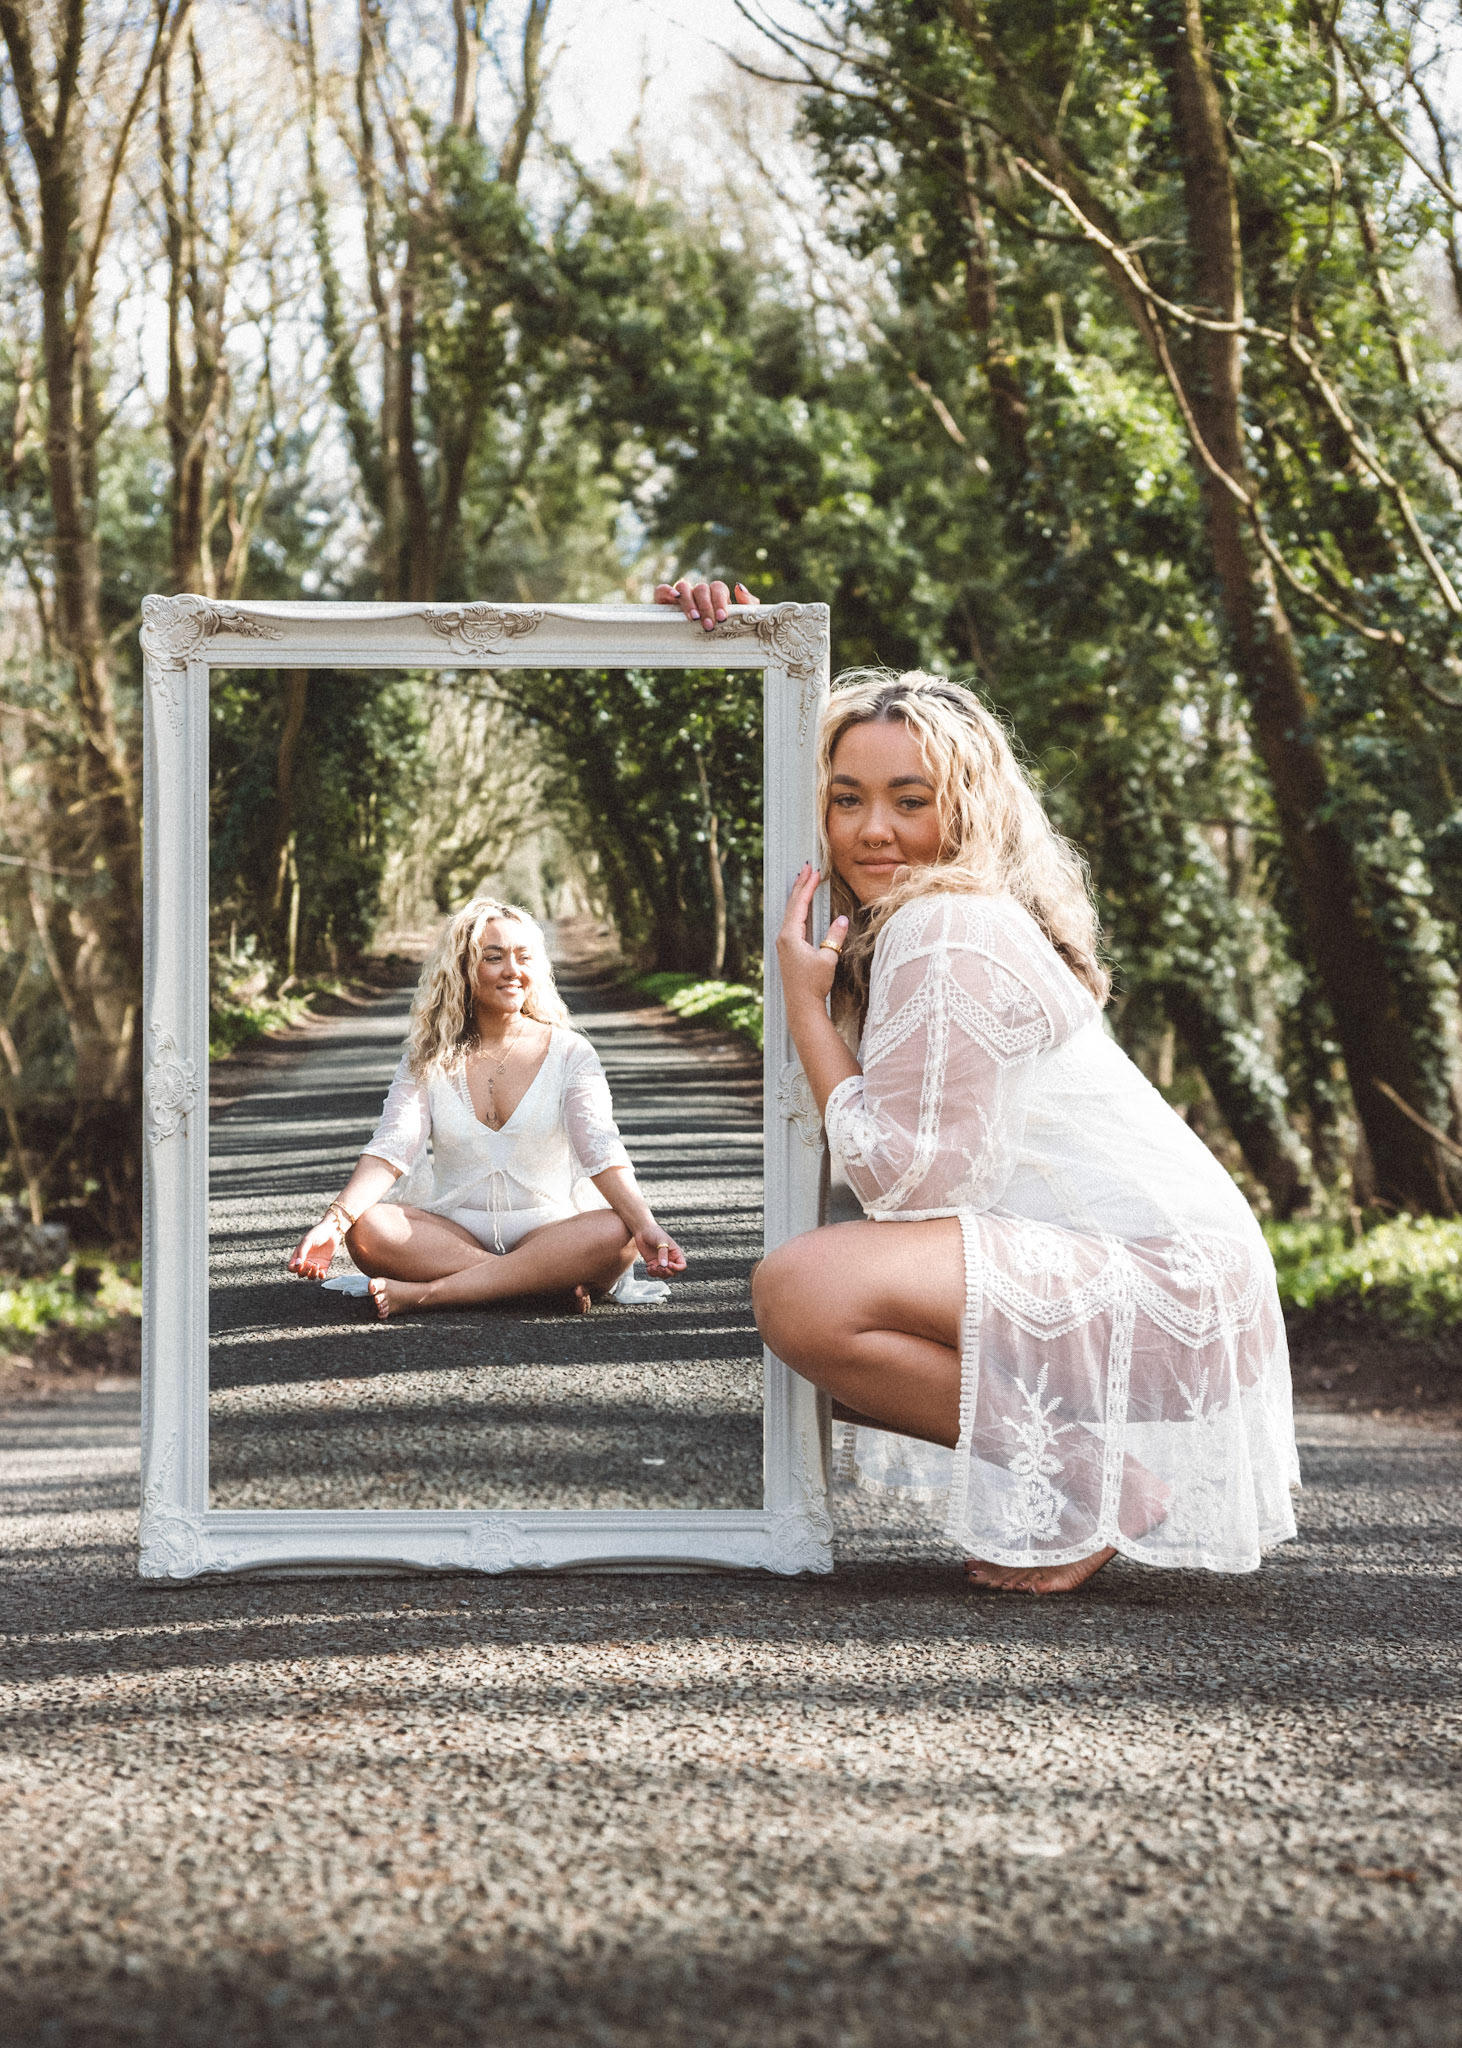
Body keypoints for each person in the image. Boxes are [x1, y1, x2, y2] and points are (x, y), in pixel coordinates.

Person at [658, 582, 1295, 1597]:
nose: (872, 829)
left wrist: (807, 1010)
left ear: (967, 808)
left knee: (804, 1292)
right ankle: (1100, 1477)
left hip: (1169, 1292)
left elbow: (907, 1185)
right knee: (805, 1330)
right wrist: (735, 644)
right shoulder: (918, 923)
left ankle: (1103, 1485)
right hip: (1175, 1289)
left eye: (909, 800)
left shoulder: (944, 923)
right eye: (845, 798)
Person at [286, 897, 686, 1320]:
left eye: (523, 958)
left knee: (617, 1231)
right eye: (494, 958)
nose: (513, 970)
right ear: (461, 968)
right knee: (368, 1229)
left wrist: (646, 1225)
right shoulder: (428, 1058)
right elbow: (392, 1146)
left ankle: (432, 1294)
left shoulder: (571, 1053)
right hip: (454, 1232)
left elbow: (600, 1149)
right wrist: (335, 1221)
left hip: (551, 1234)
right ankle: (537, 1287)